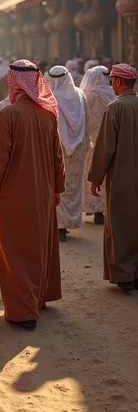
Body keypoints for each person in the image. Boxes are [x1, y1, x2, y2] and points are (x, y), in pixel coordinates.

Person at [0, 60, 65, 330]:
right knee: (39, 245)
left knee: (15, 250)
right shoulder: (48, 114)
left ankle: (23, 311)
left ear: (15, 81)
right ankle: (39, 299)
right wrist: (58, 188)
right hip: (42, 192)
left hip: (14, 195)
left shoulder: (10, 114)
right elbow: (57, 157)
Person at [88, 63, 138, 294]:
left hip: (122, 177)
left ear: (118, 82)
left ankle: (124, 275)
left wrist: (95, 177)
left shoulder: (115, 108)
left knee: (120, 225)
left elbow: (105, 148)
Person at [48, 65, 90, 242]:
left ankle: (60, 227)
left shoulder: (50, 99)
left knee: (58, 186)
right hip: (78, 148)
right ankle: (69, 222)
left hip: (57, 149)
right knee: (72, 186)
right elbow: (87, 121)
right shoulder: (80, 95)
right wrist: (85, 144)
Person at [80, 65, 115, 225]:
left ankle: (94, 209)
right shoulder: (113, 94)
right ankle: (106, 209)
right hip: (109, 141)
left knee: (91, 173)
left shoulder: (87, 96)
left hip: (91, 141)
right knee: (108, 173)